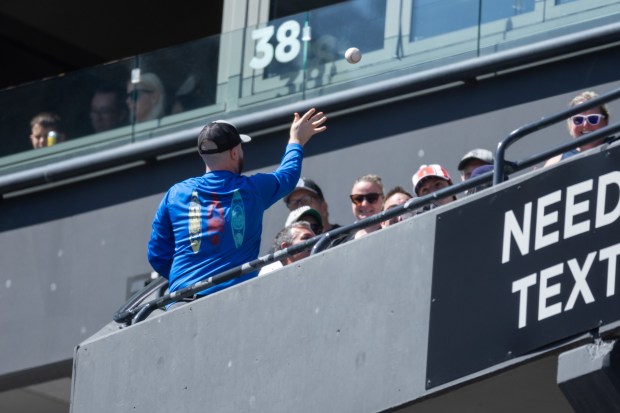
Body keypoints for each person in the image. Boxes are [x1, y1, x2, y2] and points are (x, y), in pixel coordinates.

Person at [147, 108, 327, 307]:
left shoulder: (175, 194)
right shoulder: (252, 189)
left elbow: (157, 254)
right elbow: (288, 175)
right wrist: (296, 140)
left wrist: (186, 279)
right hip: (231, 304)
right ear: (234, 152)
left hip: (180, 304)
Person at [545, 91, 611, 167]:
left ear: (605, 121)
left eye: (593, 119)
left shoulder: (617, 146)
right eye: (578, 120)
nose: (585, 124)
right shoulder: (555, 163)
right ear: (570, 125)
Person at [283, 178, 347, 246]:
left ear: (324, 208)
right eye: (294, 204)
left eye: (306, 200)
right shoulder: (283, 249)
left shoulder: (347, 237)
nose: (300, 207)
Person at [349, 174, 385, 239]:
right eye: (358, 199)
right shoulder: (340, 241)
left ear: (383, 199)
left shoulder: (393, 232)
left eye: (372, 197)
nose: (364, 204)